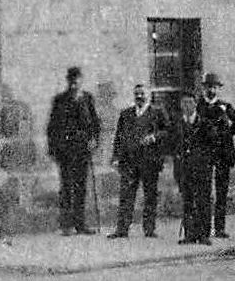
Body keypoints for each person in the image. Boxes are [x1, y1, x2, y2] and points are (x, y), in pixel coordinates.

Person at [107, 82, 170, 239]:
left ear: (148, 95)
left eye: (142, 93)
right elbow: (119, 137)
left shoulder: (157, 112)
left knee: (150, 195)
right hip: (129, 161)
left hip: (150, 161)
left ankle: (149, 229)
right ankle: (122, 229)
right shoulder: (126, 114)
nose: (139, 96)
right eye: (137, 94)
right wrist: (116, 157)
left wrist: (154, 136)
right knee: (126, 195)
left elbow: (168, 131)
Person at [46, 66, 100, 236]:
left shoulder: (87, 99)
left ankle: (80, 224)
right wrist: (53, 149)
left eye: (77, 80)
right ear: (68, 81)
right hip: (66, 151)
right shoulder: (60, 100)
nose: (74, 83)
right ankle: (66, 225)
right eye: (72, 80)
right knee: (67, 187)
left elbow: (95, 123)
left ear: (81, 80)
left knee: (81, 188)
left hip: (83, 150)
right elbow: (52, 126)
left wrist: (94, 140)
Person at [197, 72, 235, 239]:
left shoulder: (225, 106)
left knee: (221, 193)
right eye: (208, 87)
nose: (211, 90)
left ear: (218, 89)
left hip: (222, 154)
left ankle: (219, 229)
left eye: (214, 87)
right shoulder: (198, 107)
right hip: (205, 154)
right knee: (204, 191)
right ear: (203, 88)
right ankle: (205, 229)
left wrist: (226, 134)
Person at [171, 90, 217, 245]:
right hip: (185, 170)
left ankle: (203, 234)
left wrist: (206, 163)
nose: (187, 106)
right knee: (188, 201)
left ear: (196, 104)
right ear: (180, 105)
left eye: (190, 102)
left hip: (202, 170)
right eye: (184, 103)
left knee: (203, 201)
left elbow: (213, 145)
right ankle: (190, 234)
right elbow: (174, 146)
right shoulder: (177, 125)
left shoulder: (204, 123)